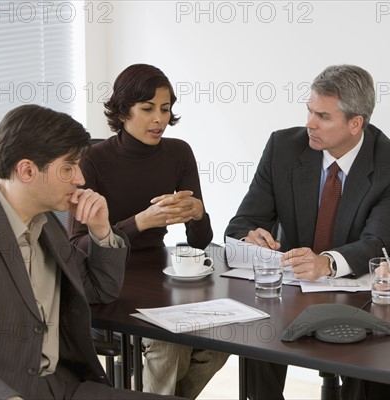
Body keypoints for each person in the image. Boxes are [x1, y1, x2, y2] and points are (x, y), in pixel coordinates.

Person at [225, 64, 390, 400]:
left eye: (322, 116)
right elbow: (240, 223)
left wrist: (328, 262)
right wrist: (250, 236)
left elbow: (380, 241)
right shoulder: (283, 148)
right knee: (257, 334)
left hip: (357, 293)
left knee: (363, 363)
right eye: (309, 110)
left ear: (355, 123)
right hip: (292, 289)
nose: (310, 123)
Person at [0, 104, 183, 400]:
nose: (80, 179)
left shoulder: (46, 224)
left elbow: (101, 290)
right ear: (27, 170)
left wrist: (101, 231)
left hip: (64, 388)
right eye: (69, 166)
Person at [69, 64, 228, 398]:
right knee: (171, 346)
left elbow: (199, 241)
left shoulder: (179, 152)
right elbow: (78, 245)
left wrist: (198, 213)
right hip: (110, 279)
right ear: (124, 110)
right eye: (148, 109)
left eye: (166, 109)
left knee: (221, 340)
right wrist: (141, 221)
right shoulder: (92, 161)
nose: (160, 119)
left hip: (163, 274)